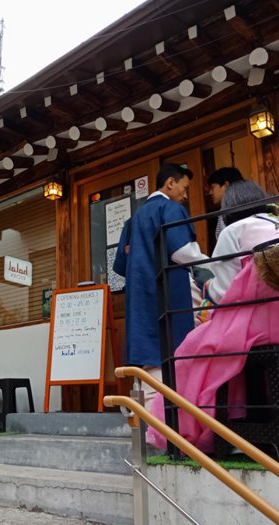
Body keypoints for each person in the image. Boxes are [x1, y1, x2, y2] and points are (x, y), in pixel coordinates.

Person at [147, 180, 279, 456]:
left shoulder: (234, 231)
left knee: (191, 350)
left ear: (229, 208)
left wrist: (208, 286)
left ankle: (215, 430)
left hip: (262, 323)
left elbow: (224, 293)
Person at [113, 164, 207, 402]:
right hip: (171, 291)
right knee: (178, 349)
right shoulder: (170, 208)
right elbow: (182, 251)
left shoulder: (132, 221)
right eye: (184, 188)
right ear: (170, 183)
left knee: (149, 357)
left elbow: (120, 265)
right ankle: (174, 417)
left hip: (140, 295)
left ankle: (149, 414)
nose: (185, 195)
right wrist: (211, 267)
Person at [206, 167, 244, 239]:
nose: (210, 192)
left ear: (226, 185)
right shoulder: (225, 209)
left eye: (213, 187)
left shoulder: (235, 210)